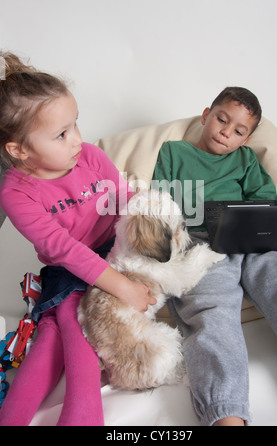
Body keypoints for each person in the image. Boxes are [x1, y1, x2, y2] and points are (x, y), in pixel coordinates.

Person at [0, 52, 156, 426]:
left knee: (54, 331)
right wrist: (123, 288)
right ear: (19, 150)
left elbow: (125, 205)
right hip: (69, 267)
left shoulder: (90, 156)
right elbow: (63, 250)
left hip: (112, 252)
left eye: (75, 125)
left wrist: (141, 252)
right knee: (76, 324)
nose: (77, 140)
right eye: (62, 134)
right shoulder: (16, 193)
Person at [152, 86, 277, 426]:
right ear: (206, 115)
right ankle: (226, 415)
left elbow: (270, 204)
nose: (226, 132)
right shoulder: (174, 152)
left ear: (245, 140)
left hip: (253, 241)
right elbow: (160, 204)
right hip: (200, 245)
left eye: (238, 131)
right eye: (221, 120)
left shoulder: (247, 161)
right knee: (212, 314)